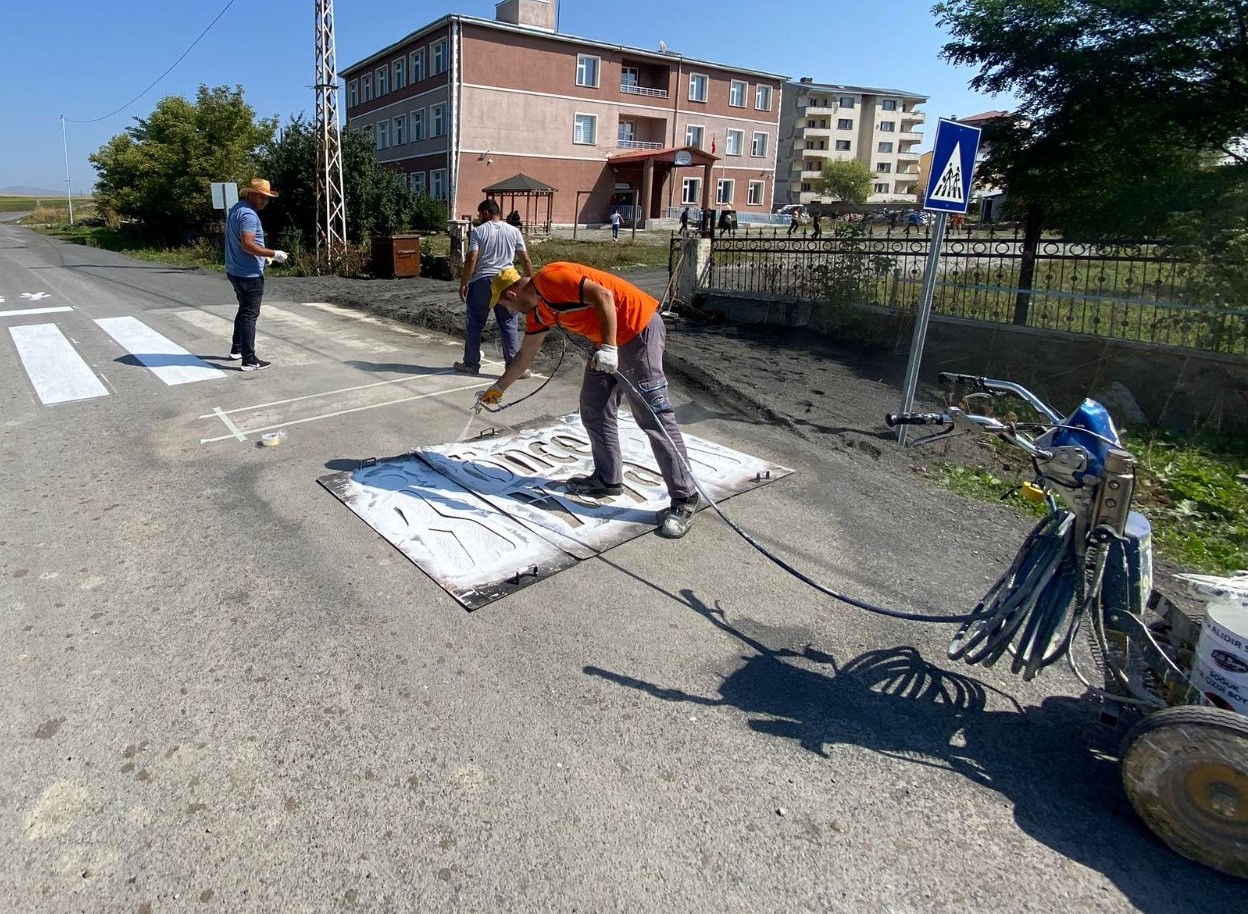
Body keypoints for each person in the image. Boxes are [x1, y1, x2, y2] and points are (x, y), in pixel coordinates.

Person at [477, 262, 701, 538]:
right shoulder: (539, 313)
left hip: (635, 330)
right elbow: (524, 357)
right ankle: (607, 479)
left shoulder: (550, 279)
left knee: (653, 417)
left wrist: (609, 349)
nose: (507, 312)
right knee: (594, 407)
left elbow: (604, 296)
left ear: (511, 294)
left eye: (503, 305)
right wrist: (497, 389)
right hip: (606, 342)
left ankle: (685, 498)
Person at [456, 199, 534, 376]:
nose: (478, 218)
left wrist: (464, 282)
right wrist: (532, 284)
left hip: (483, 281)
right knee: (508, 323)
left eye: (479, 214)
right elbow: (525, 259)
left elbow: (471, 258)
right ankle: (515, 368)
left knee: (475, 323)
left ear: (485, 213)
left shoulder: (478, 231)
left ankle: (471, 364)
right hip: (508, 282)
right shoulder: (514, 231)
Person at [225, 178, 288, 372]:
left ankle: (237, 349)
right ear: (251, 194)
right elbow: (248, 245)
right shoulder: (249, 216)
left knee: (243, 310)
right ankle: (249, 359)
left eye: (267, 198)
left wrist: (262, 258)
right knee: (250, 315)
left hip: (235, 269)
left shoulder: (237, 208)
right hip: (248, 274)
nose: (264, 201)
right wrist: (273, 254)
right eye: (261, 197)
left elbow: (242, 244)